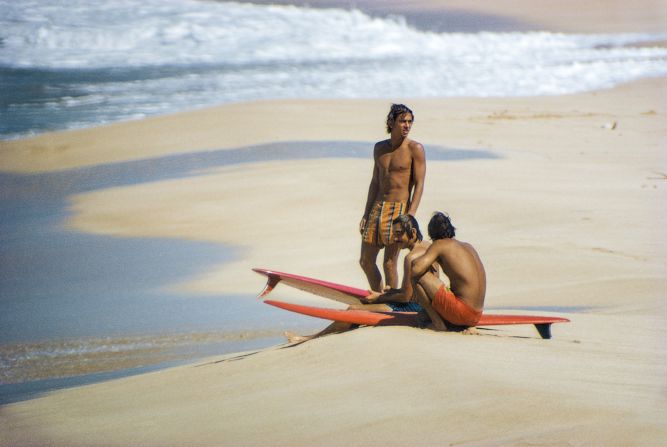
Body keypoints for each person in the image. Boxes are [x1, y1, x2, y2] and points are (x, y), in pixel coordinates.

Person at [285, 215, 431, 343]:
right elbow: (413, 288)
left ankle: (310, 338)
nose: (395, 239)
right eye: (394, 234)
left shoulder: (410, 257)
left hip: (414, 308)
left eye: (399, 234)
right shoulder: (428, 247)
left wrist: (379, 297)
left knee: (353, 309)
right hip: (425, 305)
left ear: (412, 232)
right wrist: (392, 292)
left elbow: (406, 298)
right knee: (370, 302)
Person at [359, 104, 426, 292]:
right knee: (365, 260)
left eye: (409, 122)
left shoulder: (415, 149)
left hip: (399, 210)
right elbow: (375, 182)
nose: (407, 125)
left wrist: (410, 215)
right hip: (377, 207)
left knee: (389, 263)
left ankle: (390, 302)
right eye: (402, 121)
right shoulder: (379, 148)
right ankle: (378, 295)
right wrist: (366, 213)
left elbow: (419, 185)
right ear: (391, 122)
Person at [409, 212, 486, 331]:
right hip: (477, 315)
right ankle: (445, 318)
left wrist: (418, 258)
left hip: (462, 313)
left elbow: (415, 270)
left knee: (417, 276)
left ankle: (437, 323)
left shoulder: (439, 244)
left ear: (432, 234)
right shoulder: (468, 246)